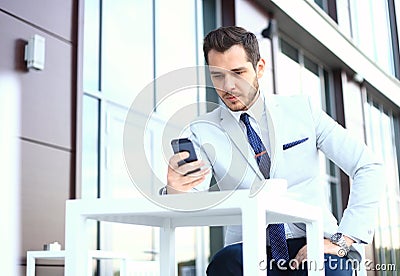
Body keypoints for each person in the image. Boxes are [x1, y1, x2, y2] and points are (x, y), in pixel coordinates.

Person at [165, 26, 383, 275]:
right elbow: (192, 201)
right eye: (217, 75)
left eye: (238, 73)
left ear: (259, 68)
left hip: (313, 240)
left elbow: (368, 166)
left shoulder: (303, 111)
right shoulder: (201, 131)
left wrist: (344, 239)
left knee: (333, 270)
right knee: (223, 264)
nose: (228, 86)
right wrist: (175, 191)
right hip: (248, 248)